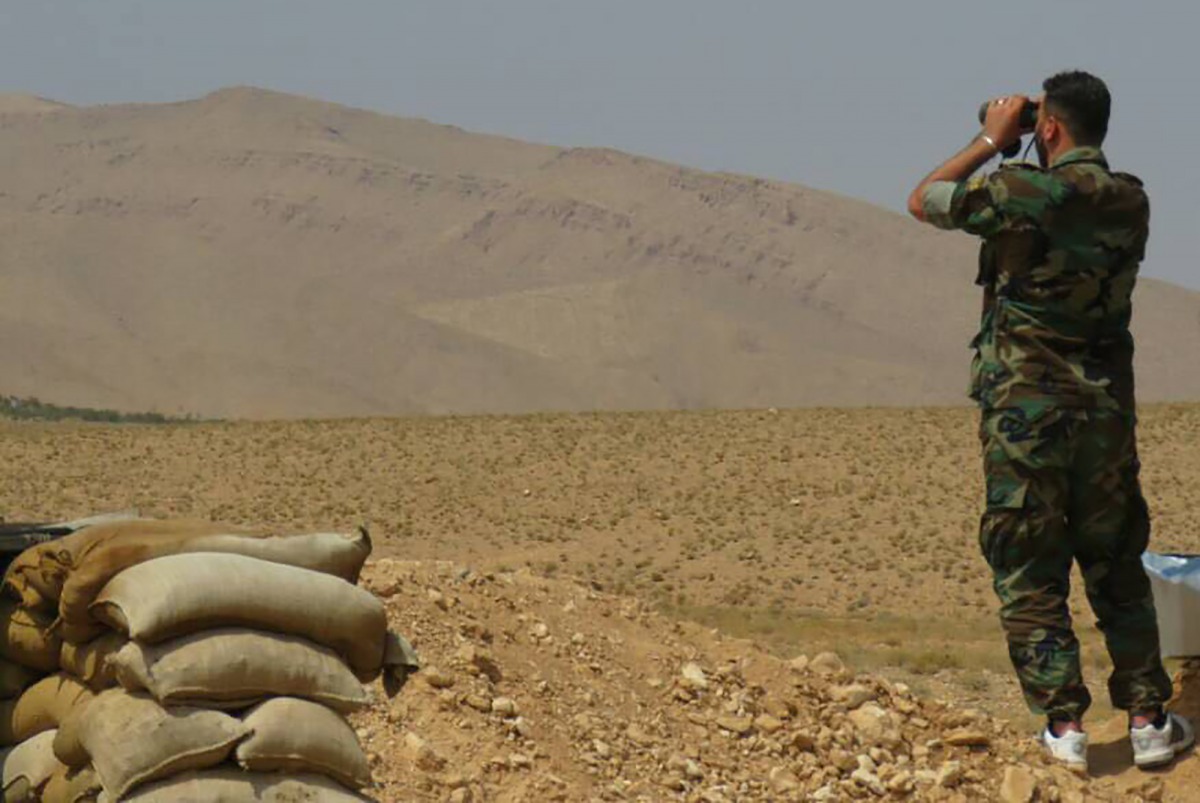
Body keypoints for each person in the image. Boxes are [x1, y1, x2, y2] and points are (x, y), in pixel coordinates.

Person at [906, 70, 1192, 773]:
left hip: (1025, 414)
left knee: (1030, 561)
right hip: (1103, 415)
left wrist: (991, 138)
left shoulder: (1016, 190)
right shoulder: (1131, 199)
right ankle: (1150, 718)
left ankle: (1064, 724)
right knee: (1116, 559)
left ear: (1050, 129)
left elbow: (924, 199)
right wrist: (1036, 136)